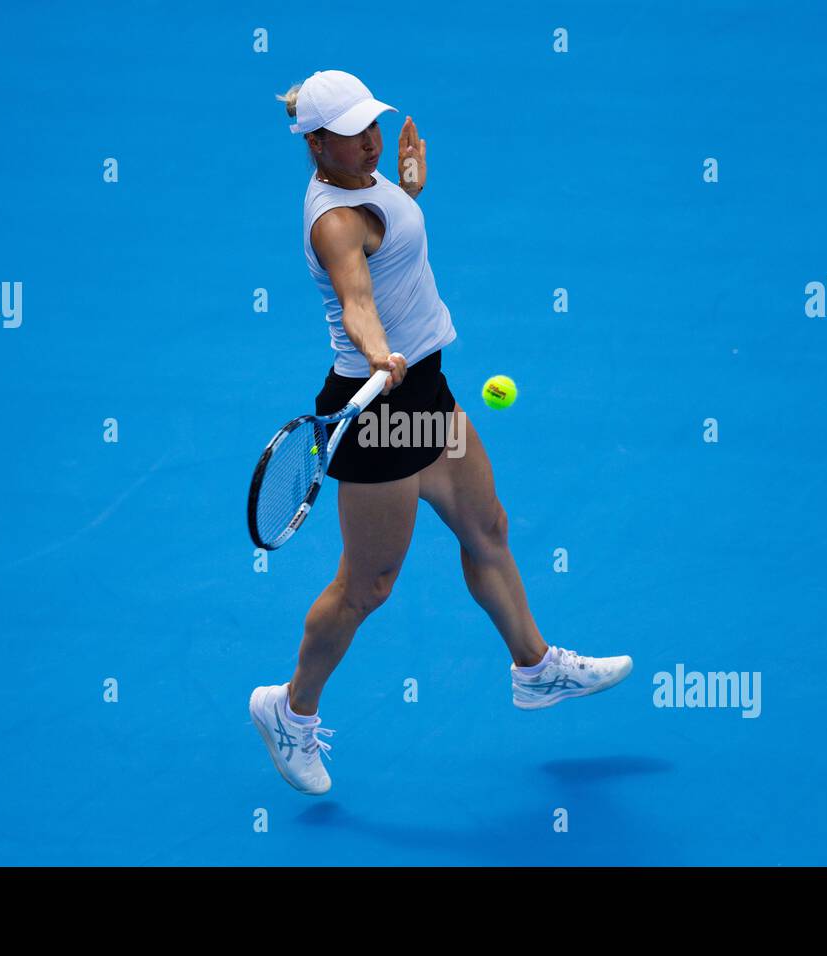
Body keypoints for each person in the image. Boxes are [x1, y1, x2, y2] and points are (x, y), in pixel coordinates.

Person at [249, 70, 633, 795]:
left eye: (372, 126)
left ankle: (534, 668)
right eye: (352, 133)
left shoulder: (366, 184)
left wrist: (407, 192)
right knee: (368, 587)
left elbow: (384, 249)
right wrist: (373, 350)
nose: (370, 140)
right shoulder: (334, 221)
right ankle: (289, 712)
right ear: (315, 144)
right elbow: (357, 296)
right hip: (378, 412)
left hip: (424, 391)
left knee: (487, 527)